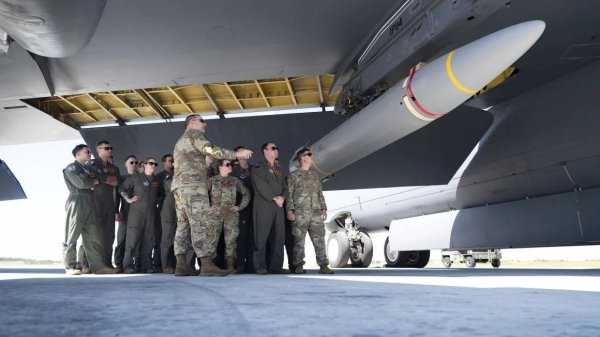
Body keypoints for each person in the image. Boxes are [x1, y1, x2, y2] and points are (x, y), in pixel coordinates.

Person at [171, 114, 252, 277]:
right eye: (202, 121)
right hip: (193, 186)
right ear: (192, 123)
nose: (205, 125)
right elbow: (210, 149)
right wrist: (236, 154)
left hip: (179, 186)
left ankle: (181, 265)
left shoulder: (180, 140)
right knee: (200, 223)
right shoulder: (195, 134)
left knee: (183, 224)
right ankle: (206, 264)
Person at [62, 144, 118, 275]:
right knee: (72, 234)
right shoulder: (72, 168)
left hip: (90, 201)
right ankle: (70, 266)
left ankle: (98, 267)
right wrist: (93, 182)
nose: (89, 153)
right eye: (86, 152)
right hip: (77, 201)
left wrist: (94, 181)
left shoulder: (88, 170)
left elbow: (101, 179)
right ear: (78, 154)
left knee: (93, 234)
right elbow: (81, 183)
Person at [286, 149, 334, 274]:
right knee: (299, 240)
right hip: (300, 213)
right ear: (302, 158)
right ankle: (298, 265)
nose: (312, 157)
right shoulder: (293, 176)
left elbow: (320, 193)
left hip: (316, 212)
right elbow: (289, 195)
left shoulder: (314, 176)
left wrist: (324, 208)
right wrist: (290, 211)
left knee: (319, 240)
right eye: (309, 155)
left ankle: (323, 265)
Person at [251, 142, 289, 275]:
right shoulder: (258, 167)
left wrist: (283, 198)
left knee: (279, 236)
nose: (276, 150)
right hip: (264, 204)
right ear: (265, 151)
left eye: (276, 148)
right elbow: (261, 185)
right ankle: (260, 265)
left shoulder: (279, 169)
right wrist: (274, 197)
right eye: (273, 148)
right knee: (261, 235)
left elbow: (285, 186)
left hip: (279, 206)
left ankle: (276, 266)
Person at [207, 159, 250, 274]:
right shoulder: (212, 180)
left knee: (231, 240)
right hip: (214, 215)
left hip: (231, 215)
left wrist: (239, 207)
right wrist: (207, 208)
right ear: (220, 167)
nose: (230, 166)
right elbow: (201, 196)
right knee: (212, 240)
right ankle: (210, 266)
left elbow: (246, 193)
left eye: (230, 164)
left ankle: (230, 266)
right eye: (227, 165)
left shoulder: (235, 181)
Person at [119, 157, 160, 274]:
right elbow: (121, 187)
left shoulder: (156, 180)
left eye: (155, 164)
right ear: (145, 165)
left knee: (149, 240)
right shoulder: (136, 178)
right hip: (136, 213)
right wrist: (128, 199)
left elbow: (161, 194)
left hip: (151, 213)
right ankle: (128, 266)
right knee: (132, 240)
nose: (153, 165)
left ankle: (146, 266)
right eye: (151, 163)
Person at [86, 140, 121, 268]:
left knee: (109, 235)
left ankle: (106, 263)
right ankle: (85, 263)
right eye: (106, 148)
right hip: (96, 203)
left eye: (110, 148)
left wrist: (102, 180)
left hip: (109, 204)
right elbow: (90, 181)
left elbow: (116, 183)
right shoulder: (92, 164)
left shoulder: (114, 168)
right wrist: (107, 180)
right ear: (99, 150)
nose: (109, 150)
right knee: (93, 234)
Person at [231, 146, 255, 274]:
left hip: (254, 206)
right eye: (241, 152)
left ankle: (250, 264)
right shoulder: (233, 171)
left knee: (252, 237)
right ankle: (240, 264)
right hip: (239, 207)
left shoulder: (255, 169)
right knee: (240, 236)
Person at [114, 155, 139, 273]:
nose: (134, 164)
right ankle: (119, 264)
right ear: (126, 164)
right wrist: (116, 211)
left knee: (135, 240)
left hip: (138, 213)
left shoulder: (141, 178)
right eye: (131, 162)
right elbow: (116, 197)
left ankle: (132, 264)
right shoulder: (122, 179)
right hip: (125, 211)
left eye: (135, 162)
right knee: (122, 238)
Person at [157, 154, 177, 273]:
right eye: (170, 161)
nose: (172, 163)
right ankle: (165, 265)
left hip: (177, 208)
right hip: (166, 208)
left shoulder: (178, 174)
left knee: (176, 238)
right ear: (164, 163)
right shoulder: (160, 176)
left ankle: (174, 264)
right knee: (166, 237)